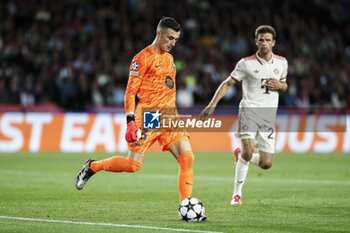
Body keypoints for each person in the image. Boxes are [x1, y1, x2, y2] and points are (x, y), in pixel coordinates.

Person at [75, 17, 203, 213]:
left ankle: (185, 206)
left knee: (187, 158)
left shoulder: (169, 59)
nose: (173, 43)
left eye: (176, 39)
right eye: (170, 38)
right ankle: (92, 166)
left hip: (169, 116)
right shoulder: (141, 58)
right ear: (159, 34)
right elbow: (130, 91)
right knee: (132, 165)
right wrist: (130, 121)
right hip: (149, 117)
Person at [200, 25, 288, 205]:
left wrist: (280, 86)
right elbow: (227, 83)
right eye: (261, 40)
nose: (264, 43)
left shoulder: (282, 62)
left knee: (266, 163)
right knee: (249, 150)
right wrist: (212, 105)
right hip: (249, 110)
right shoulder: (246, 63)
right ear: (256, 41)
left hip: (268, 116)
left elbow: (284, 85)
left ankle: (240, 155)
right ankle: (237, 195)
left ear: (274, 43)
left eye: (268, 40)